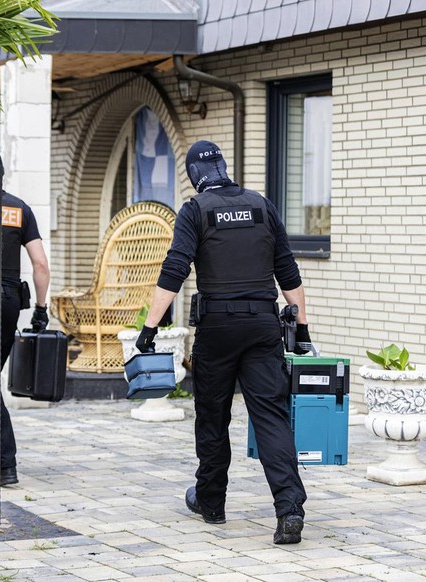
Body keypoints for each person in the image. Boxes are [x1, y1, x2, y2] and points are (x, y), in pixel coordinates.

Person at [136, 140, 312, 544]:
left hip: (217, 329)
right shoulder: (262, 205)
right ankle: (289, 509)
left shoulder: (195, 210)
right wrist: (301, 331)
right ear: (223, 166)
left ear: (195, 175)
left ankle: (212, 503)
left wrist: (150, 329)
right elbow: (288, 271)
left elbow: (174, 270)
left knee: (212, 416)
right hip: (263, 327)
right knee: (271, 416)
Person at [0, 149, 50, 487]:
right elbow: (40, 265)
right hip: (11, 300)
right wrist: (41, 309)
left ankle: (3, 461)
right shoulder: (18, 208)